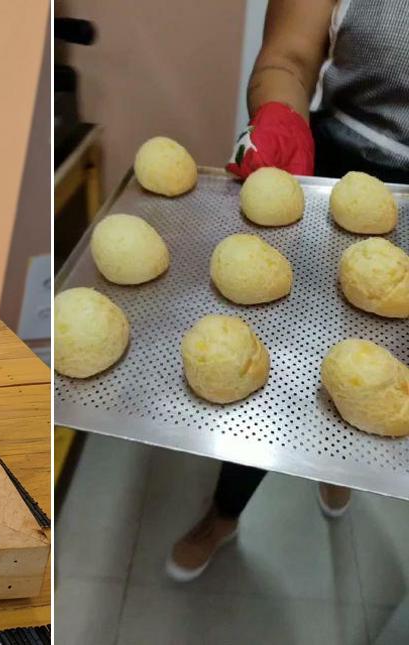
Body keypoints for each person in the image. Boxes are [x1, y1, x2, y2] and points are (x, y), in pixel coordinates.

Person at [167, 0, 409, 582]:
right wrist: (279, 113)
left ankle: (338, 463)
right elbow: (291, 55)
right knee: (273, 358)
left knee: (376, 383)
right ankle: (224, 513)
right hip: (332, 178)